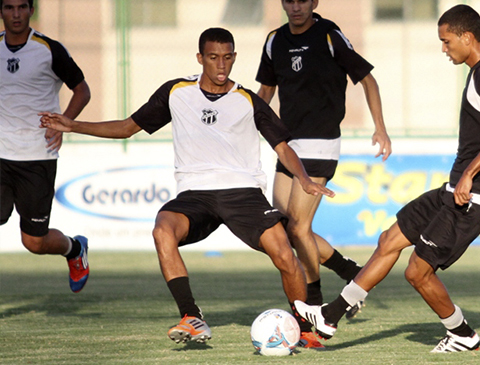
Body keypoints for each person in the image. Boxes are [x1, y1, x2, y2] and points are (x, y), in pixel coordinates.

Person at [40, 27, 334, 344]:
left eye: (227, 58)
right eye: (213, 57)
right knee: (162, 229)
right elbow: (127, 127)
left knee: (285, 254)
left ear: (234, 58)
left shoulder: (248, 100)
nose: (221, 65)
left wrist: (303, 177)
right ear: (200, 58)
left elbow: (283, 147)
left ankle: (303, 329)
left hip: (243, 193)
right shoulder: (176, 92)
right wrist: (73, 125)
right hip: (195, 195)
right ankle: (191, 316)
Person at [295, 4, 480, 353]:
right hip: (456, 186)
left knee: (417, 272)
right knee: (390, 238)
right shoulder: (479, 73)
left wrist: (470, 176)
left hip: (476, 193)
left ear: (466, 37)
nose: (444, 49)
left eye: (446, 41)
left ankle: (462, 335)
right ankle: (331, 316)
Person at [255, 0, 392, 348]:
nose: (296, 6)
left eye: (303, 0)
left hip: (320, 143)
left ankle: (315, 306)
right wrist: (247, 124)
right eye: (289, 0)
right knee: (284, 230)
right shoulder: (274, 41)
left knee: (299, 227)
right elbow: (265, 94)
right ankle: (350, 272)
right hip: (287, 144)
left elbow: (368, 80)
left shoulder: (329, 35)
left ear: (314, 2)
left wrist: (380, 127)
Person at [0, 0, 91, 293]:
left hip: (36, 156)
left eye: (22, 7)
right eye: (8, 7)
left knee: (34, 242)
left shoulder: (49, 50)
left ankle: (74, 250)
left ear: (31, 10)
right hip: (1, 154)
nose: (16, 14)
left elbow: (82, 90)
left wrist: (64, 121)